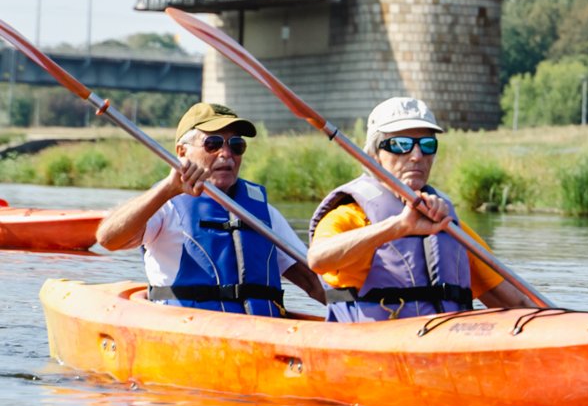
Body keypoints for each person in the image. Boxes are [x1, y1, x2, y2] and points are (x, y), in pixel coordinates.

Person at [308, 97, 531, 322]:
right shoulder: (349, 216)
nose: (417, 156)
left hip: (446, 337)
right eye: (400, 145)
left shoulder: (447, 225)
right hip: (371, 338)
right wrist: (399, 226)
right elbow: (317, 259)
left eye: (427, 145)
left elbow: (517, 303)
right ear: (374, 155)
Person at [94, 102, 325, 315]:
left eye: (236, 145)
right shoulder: (166, 206)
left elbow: (314, 283)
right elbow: (108, 239)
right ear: (182, 152)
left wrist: (348, 310)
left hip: (259, 331)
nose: (226, 154)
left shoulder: (265, 214)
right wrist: (166, 189)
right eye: (212, 144)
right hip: (187, 329)